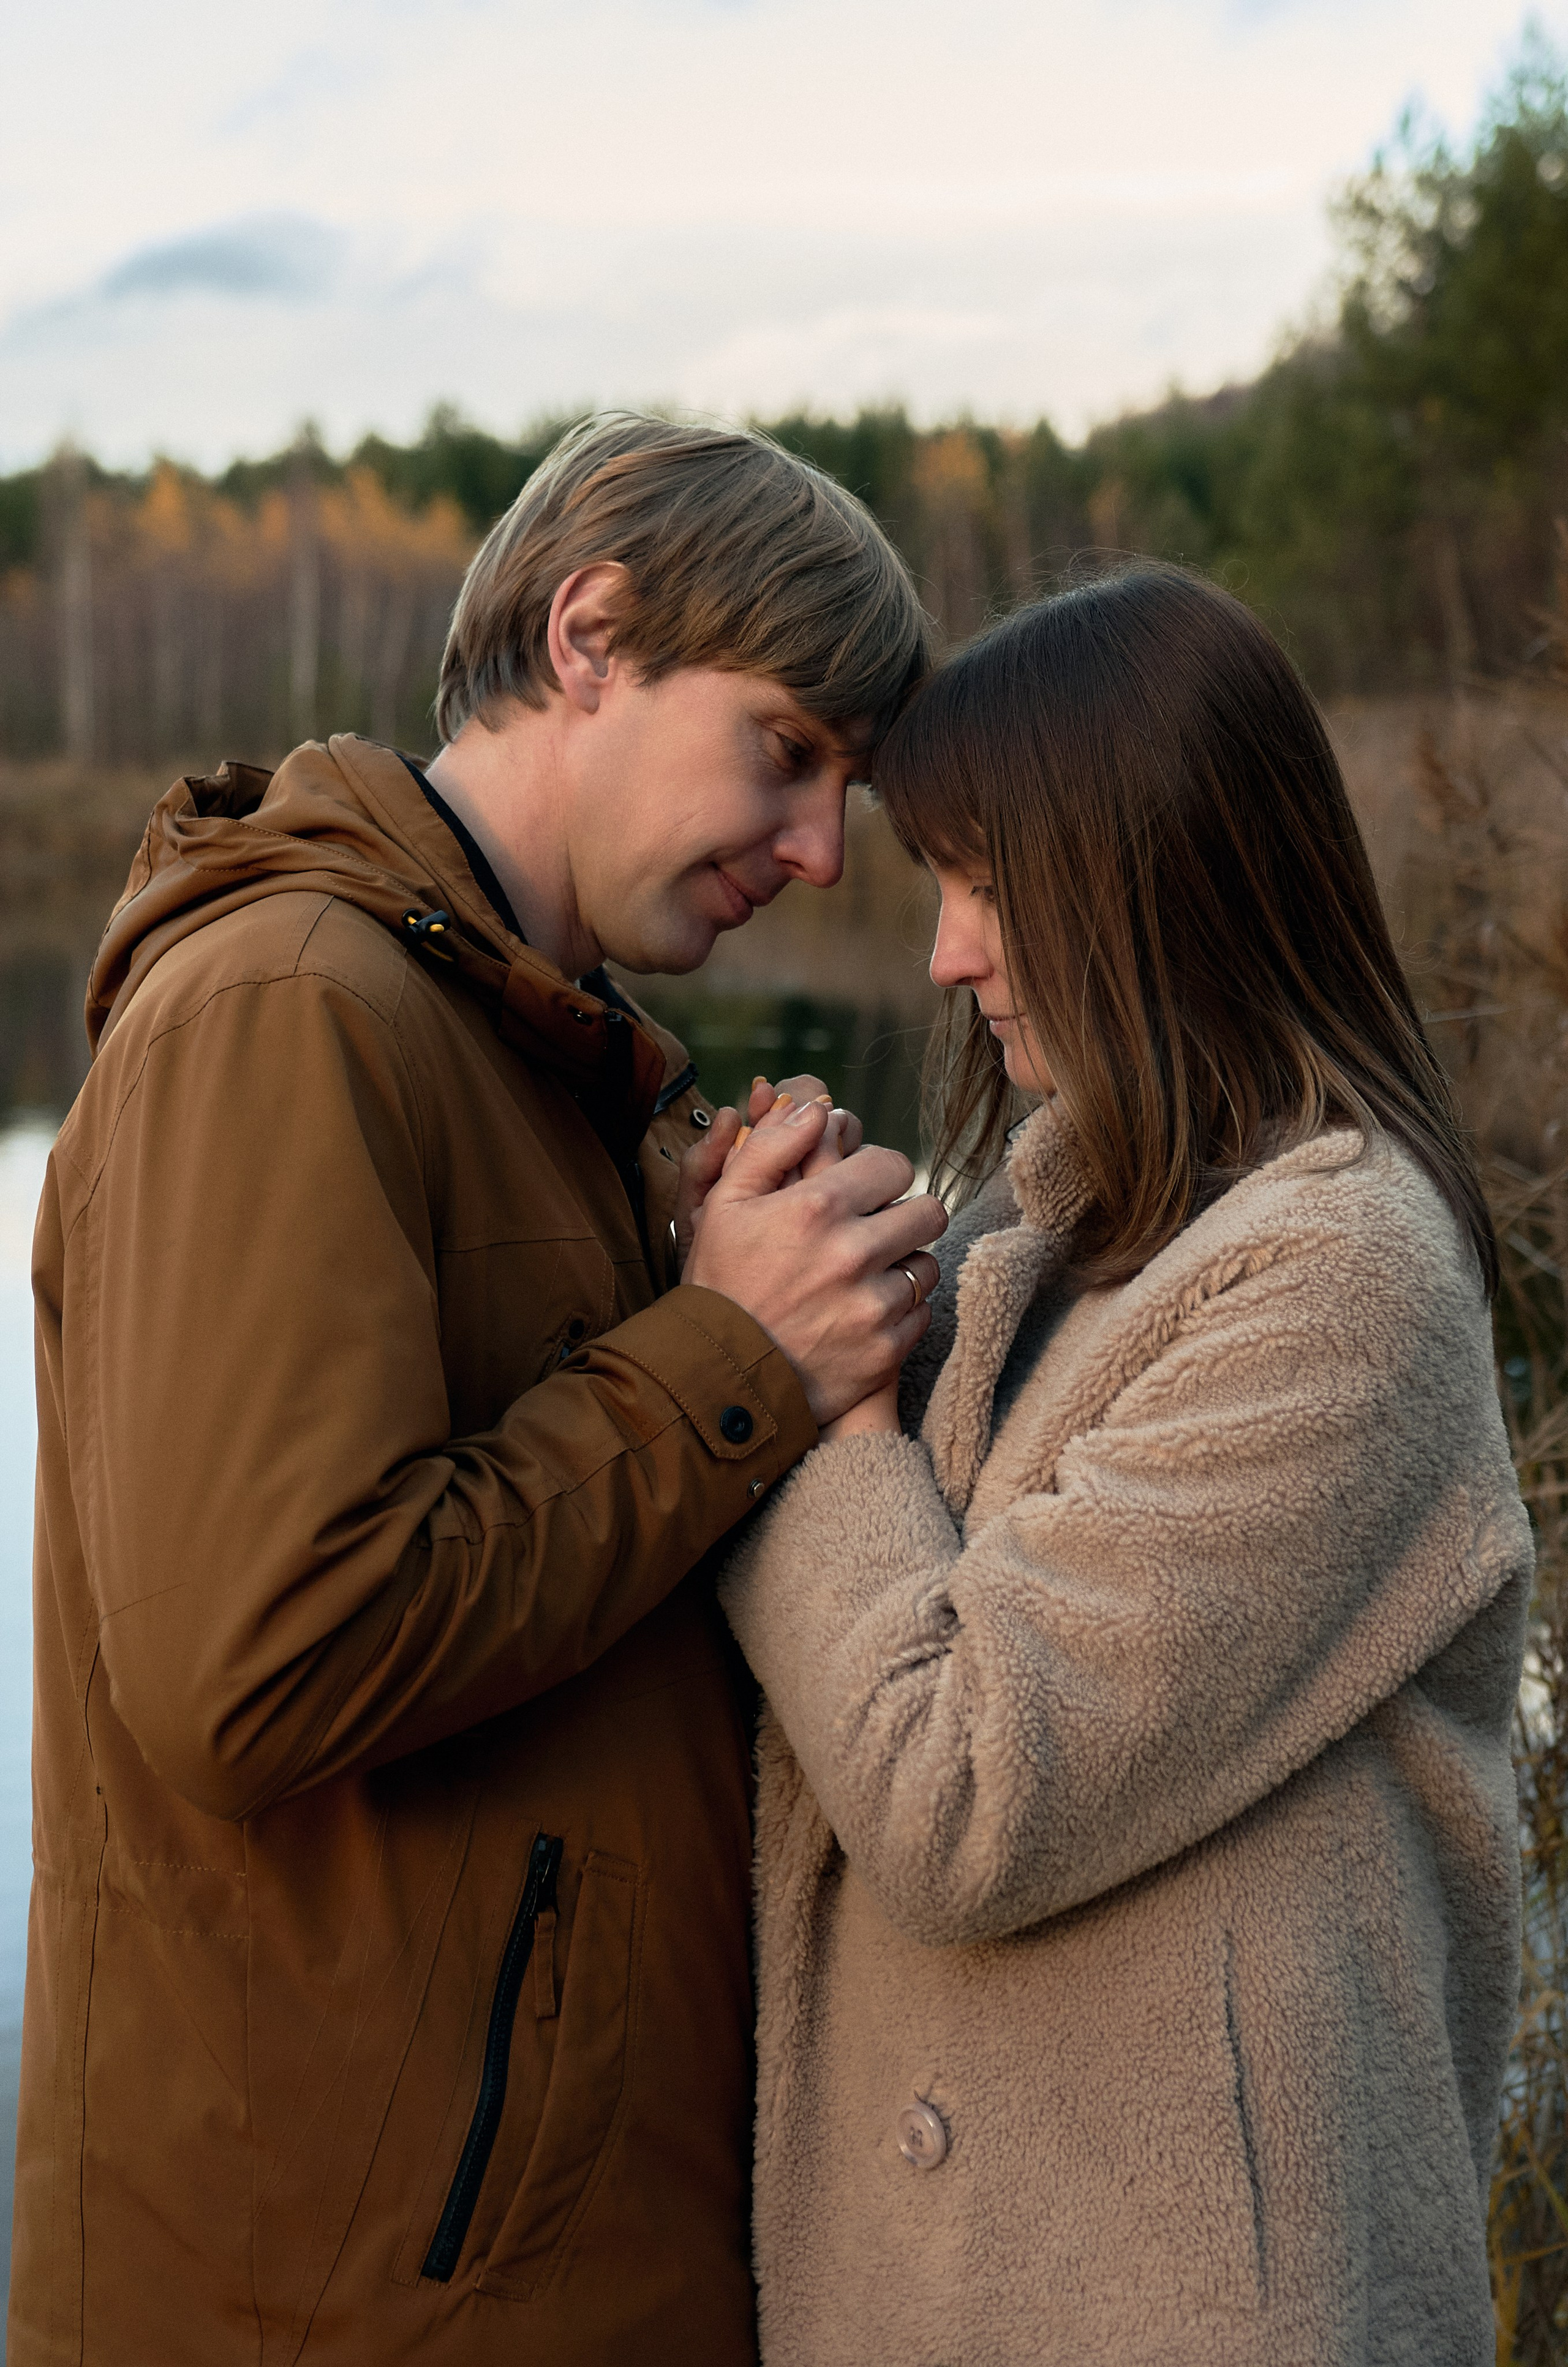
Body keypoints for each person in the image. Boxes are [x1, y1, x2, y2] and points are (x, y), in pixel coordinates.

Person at [9, 412, 946, 2367]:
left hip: (557, 2273)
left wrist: (809, 1304)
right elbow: (266, 1655)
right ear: (589, 633)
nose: (819, 852)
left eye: (848, 788)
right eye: (787, 751)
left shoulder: (560, 1066)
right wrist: (735, 1356)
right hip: (345, 2312)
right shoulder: (287, 1011)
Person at [719, 565, 1531, 2367]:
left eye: (986, 884)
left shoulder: (1344, 1280)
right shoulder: (1058, 1222)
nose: (942, 951)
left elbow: (952, 1786)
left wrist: (796, 1386)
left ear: (1156, 875)